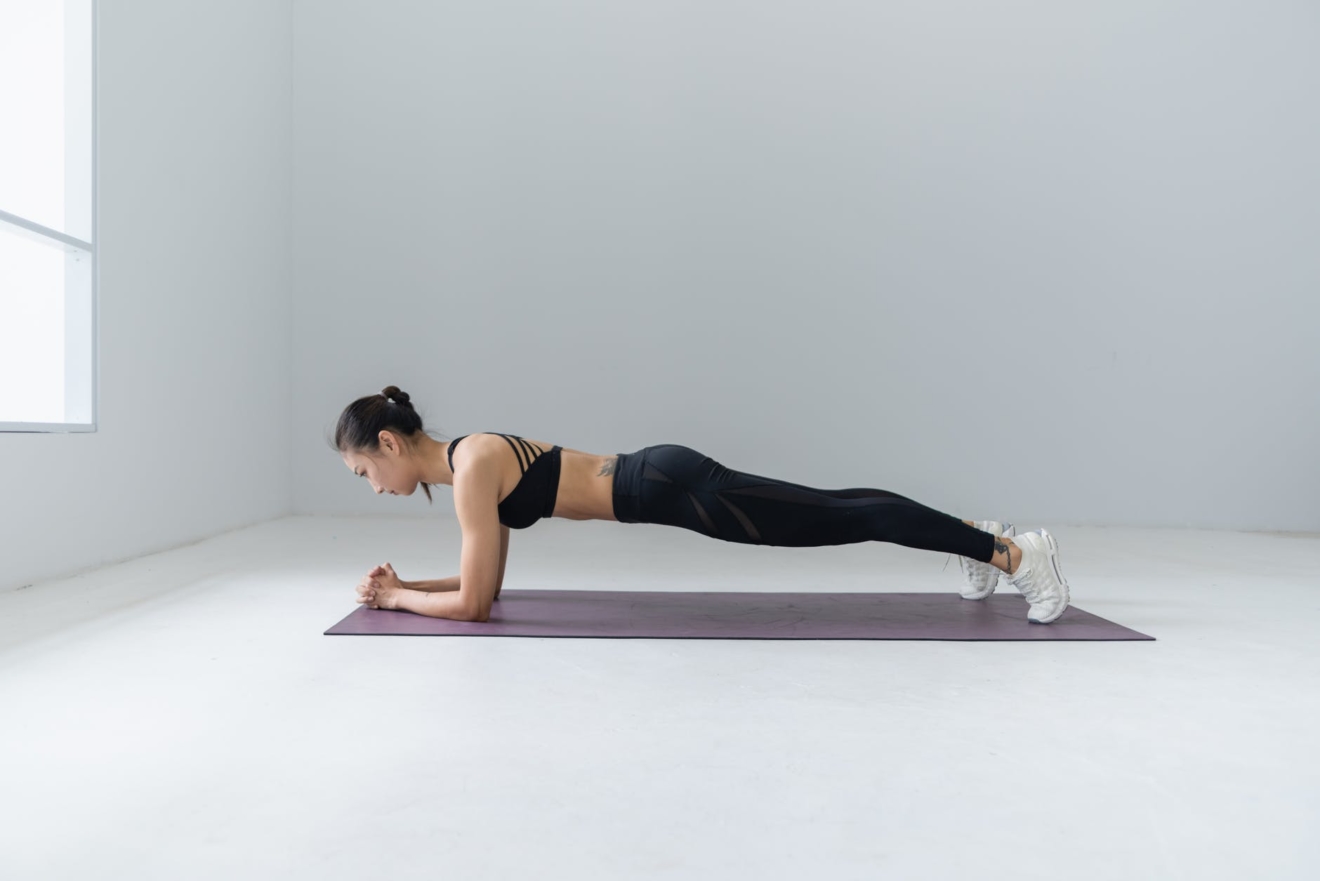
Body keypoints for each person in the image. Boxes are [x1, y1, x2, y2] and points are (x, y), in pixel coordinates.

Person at [333, 385, 1071, 624]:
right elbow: (481, 585)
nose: (372, 486)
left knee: (845, 514)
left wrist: (399, 598)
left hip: (672, 487)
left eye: (365, 469)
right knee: (840, 509)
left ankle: (1017, 554)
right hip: (663, 480)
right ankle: (979, 535)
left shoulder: (471, 469)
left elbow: (474, 607)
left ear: (393, 444)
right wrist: (405, 586)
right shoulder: (470, 461)